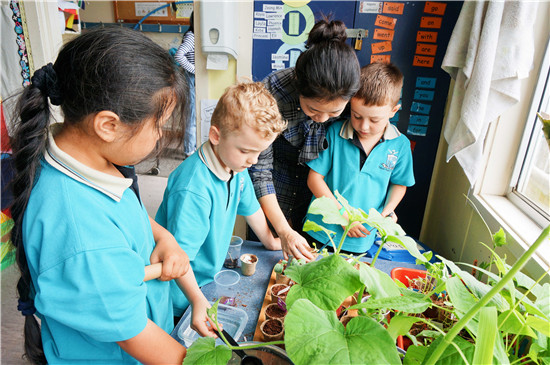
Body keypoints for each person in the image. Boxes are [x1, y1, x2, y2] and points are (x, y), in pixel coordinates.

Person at [8, 27, 214, 365]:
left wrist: (163, 236)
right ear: (108, 125)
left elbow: (123, 210)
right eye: (159, 125)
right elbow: (139, 339)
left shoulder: (85, 156)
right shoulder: (81, 233)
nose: (161, 136)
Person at [155, 81, 285, 317]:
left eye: (260, 152)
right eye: (246, 151)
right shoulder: (193, 189)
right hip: (182, 293)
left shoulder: (235, 165)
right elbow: (178, 259)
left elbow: (251, 209)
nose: (253, 161)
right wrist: (196, 300)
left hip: (208, 279)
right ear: (216, 135)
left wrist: (271, 242)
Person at [249, 18, 361, 261]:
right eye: (312, 109)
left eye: (333, 113)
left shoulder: (355, 97)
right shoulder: (272, 93)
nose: (322, 119)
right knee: (267, 259)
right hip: (274, 186)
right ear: (299, 86)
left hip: (319, 194)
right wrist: (282, 229)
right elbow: (260, 170)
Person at [304, 62, 415, 253]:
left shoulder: (400, 145)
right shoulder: (334, 133)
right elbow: (314, 179)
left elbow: (399, 184)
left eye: (374, 120)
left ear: (394, 111)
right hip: (320, 231)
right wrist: (342, 216)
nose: (363, 126)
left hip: (361, 239)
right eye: (356, 116)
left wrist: (387, 211)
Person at [175, 11, 196, 158]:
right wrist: (195, 70)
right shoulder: (191, 36)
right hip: (192, 79)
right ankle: (189, 151)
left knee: (194, 115)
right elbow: (179, 55)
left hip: (195, 79)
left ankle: (191, 148)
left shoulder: (195, 36)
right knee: (192, 117)